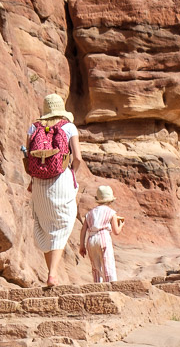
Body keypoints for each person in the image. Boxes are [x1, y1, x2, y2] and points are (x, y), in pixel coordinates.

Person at [26, 94, 82, 287]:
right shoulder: (68, 127)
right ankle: (52, 274)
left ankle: (51, 274)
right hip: (61, 180)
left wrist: (33, 179)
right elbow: (78, 158)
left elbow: (29, 159)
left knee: (43, 226)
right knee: (63, 223)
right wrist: (71, 172)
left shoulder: (34, 127)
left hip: (39, 183)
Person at [79, 185, 124, 283]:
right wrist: (121, 225)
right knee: (108, 264)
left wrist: (82, 245)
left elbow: (83, 230)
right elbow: (116, 231)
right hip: (103, 237)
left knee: (96, 266)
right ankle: (111, 284)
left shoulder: (90, 213)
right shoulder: (111, 212)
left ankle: (97, 285)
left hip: (91, 239)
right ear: (110, 200)